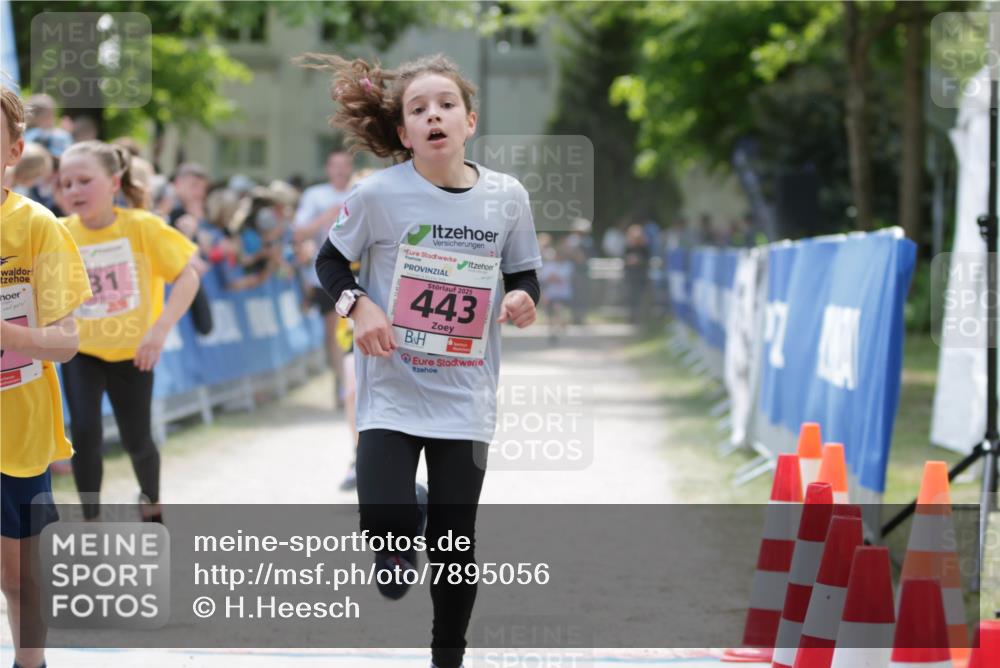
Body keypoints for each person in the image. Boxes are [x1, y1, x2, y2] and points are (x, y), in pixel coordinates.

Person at [302, 53, 541, 668]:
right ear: (404, 134)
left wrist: (519, 299)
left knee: (455, 547)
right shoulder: (379, 195)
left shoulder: (506, 197)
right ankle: (400, 524)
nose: (434, 115)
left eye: (446, 105)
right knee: (387, 538)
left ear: (469, 121)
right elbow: (329, 263)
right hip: (392, 387)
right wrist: (360, 308)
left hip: (466, 395)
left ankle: (447, 655)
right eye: (418, 109)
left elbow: (524, 275)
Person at [57, 140, 201, 523]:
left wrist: (159, 331)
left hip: (135, 351)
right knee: (85, 432)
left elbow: (188, 278)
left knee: (136, 439)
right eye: (66, 183)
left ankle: (151, 505)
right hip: (81, 351)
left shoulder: (142, 226)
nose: (74, 191)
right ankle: (90, 520)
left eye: (84, 181)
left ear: (114, 183)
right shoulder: (57, 232)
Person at [1, 85, 93, 668]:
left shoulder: (37, 226)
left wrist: (13, 337)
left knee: (18, 579)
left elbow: (67, 342)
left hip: (18, 433)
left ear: (13, 149)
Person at [294, 150, 355, 409]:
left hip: (360, 274)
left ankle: (353, 382)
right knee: (335, 333)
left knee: (356, 330)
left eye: (345, 165)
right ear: (328, 168)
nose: (340, 170)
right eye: (335, 165)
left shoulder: (361, 191)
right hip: (326, 275)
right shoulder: (315, 196)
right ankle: (342, 382)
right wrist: (325, 218)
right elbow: (298, 232)